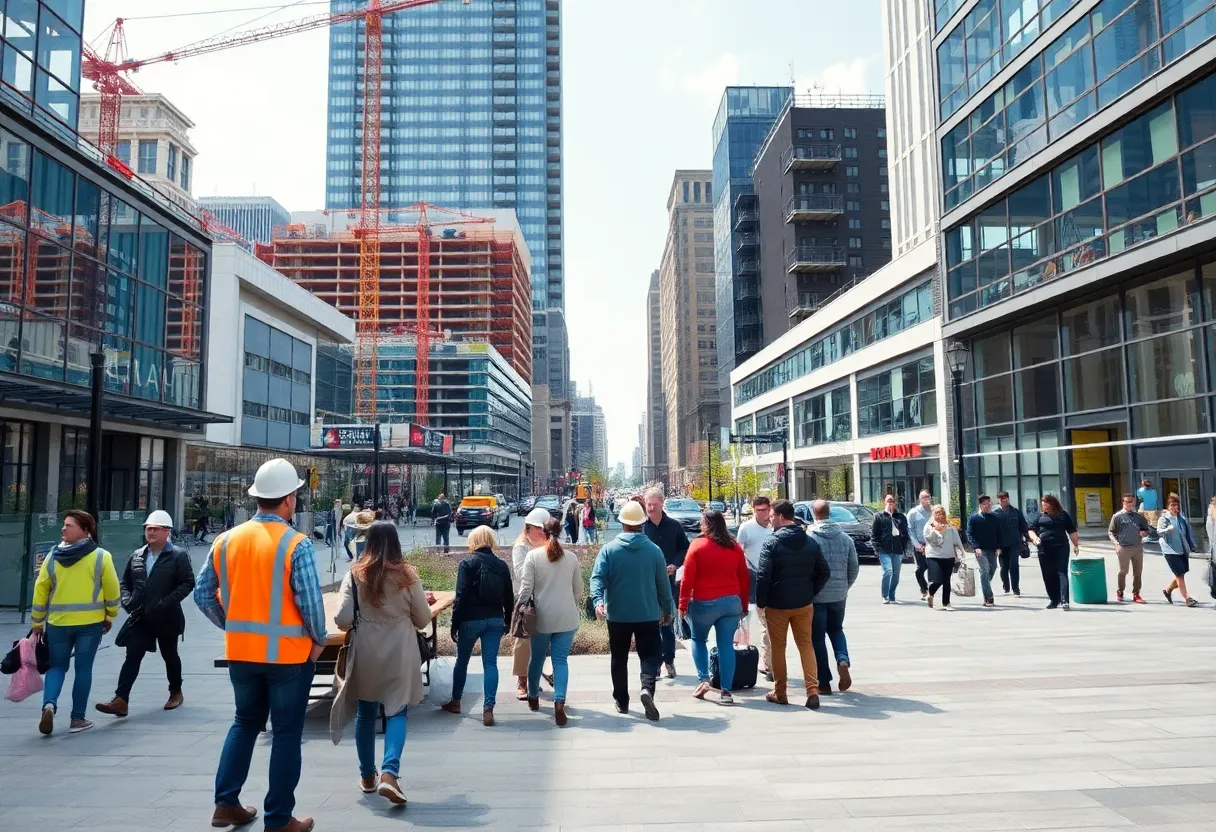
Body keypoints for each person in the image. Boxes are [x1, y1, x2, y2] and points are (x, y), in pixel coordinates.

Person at [194, 458, 328, 832]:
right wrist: (318, 642)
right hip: (288, 659)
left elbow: (202, 594)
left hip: (241, 655)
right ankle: (279, 819)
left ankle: (225, 804)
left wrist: (232, 624)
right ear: (289, 499)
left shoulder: (226, 541)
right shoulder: (294, 544)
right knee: (286, 734)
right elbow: (311, 604)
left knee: (244, 723)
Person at [329, 521, 431, 808]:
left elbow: (342, 619)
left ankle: (367, 777)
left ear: (368, 542)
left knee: (365, 712)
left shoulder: (355, 574)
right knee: (397, 711)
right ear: (396, 542)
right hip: (400, 650)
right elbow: (423, 619)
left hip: (366, 651)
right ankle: (390, 772)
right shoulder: (407, 575)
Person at [96, 510, 195, 719]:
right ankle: (121, 700)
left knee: (170, 655)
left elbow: (187, 583)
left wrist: (166, 602)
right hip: (141, 617)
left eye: (155, 529)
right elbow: (125, 583)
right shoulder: (137, 554)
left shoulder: (178, 555)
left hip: (167, 617)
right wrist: (128, 602)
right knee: (132, 655)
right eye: (148, 528)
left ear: (166, 531)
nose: (150, 532)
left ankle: (175, 692)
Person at [30, 510, 121, 736]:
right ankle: (77, 718)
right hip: (90, 624)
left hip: (58, 624)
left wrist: (37, 623)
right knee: (83, 670)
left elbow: (41, 590)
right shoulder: (101, 556)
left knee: (57, 666)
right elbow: (112, 589)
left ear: (85, 530)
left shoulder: (52, 556)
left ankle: (49, 705)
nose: (63, 528)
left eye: (69, 525)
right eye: (64, 525)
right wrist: (110, 616)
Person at [590, 500, 673, 720]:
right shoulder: (654, 551)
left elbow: (597, 577)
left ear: (623, 524)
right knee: (651, 653)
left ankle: (622, 700)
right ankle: (647, 688)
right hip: (647, 612)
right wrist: (668, 609)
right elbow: (663, 585)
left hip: (617, 614)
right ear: (642, 523)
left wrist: (598, 600)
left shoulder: (609, 550)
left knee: (619, 657)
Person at [756, 499, 830, 710]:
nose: (770, 521)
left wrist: (761, 602)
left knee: (778, 648)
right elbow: (824, 572)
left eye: (771, 517)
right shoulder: (810, 541)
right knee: (806, 645)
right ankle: (812, 690)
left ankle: (780, 692)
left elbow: (763, 576)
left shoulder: (771, 542)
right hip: (804, 603)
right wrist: (811, 591)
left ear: (780, 517)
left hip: (777, 604)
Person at [443, 526, 514, 725]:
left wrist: (455, 624)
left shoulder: (467, 563)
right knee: (490, 664)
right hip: (494, 619)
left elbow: (461, 596)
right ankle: (488, 708)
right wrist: (507, 621)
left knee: (462, 661)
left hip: (470, 620)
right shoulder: (501, 565)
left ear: (472, 541)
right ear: (491, 541)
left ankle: (456, 702)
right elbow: (509, 597)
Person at [678, 511, 749, 705]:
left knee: (698, 639)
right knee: (726, 644)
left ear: (707, 525)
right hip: (731, 603)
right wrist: (743, 604)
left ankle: (704, 680)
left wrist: (683, 604)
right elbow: (744, 577)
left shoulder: (697, 546)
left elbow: (687, 579)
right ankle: (726, 691)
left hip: (704, 603)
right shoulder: (734, 547)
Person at [518, 517, 583, 726]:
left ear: (543, 533)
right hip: (566, 617)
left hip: (541, 618)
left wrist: (519, 607)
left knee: (536, 659)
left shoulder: (533, 556)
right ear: (561, 533)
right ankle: (559, 701)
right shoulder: (571, 558)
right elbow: (579, 590)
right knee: (560, 660)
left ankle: (534, 697)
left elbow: (526, 588)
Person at [642, 487, 688, 678]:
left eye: (654, 504)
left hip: (667, 583)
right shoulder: (642, 527)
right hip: (646, 584)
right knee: (650, 626)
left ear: (662, 503)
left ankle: (669, 660)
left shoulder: (674, 526)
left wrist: (675, 564)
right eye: (648, 505)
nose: (650, 508)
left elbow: (685, 548)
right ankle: (656, 664)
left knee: (667, 625)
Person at [510, 509, 555, 699]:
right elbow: (521, 574)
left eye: (544, 529)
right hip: (527, 600)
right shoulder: (521, 547)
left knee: (541, 642)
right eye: (539, 528)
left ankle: (534, 678)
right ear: (529, 528)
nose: (542, 532)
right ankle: (522, 682)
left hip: (544, 597)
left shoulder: (546, 544)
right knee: (523, 641)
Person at [736, 495, 774, 679]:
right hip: (753, 577)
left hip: (773, 579)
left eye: (765, 510)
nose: (763, 514)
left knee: (768, 622)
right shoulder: (746, 528)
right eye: (759, 510)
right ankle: (757, 660)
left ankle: (768, 663)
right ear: (753, 510)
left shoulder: (775, 526)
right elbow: (738, 551)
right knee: (754, 618)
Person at [1028, 495, 1079, 610]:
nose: (1043, 505)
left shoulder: (1063, 515)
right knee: (1048, 575)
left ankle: (1064, 600)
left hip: (1061, 548)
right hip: (1044, 550)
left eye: (1045, 503)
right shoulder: (1040, 516)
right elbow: (1031, 529)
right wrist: (1035, 538)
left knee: (1062, 573)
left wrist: (1076, 545)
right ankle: (1053, 600)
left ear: (1052, 504)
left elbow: (1071, 530)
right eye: (1042, 503)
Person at [1158, 494, 1199, 607]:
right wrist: (1168, 529)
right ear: (1168, 506)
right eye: (1172, 505)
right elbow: (1159, 531)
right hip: (1170, 550)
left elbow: (1187, 533)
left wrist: (1192, 544)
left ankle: (1167, 590)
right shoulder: (1164, 518)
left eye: (1176, 505)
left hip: (1182, 549)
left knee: (1181, 573)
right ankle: (1187, 599)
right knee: (1179, 575)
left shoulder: (1182, 518)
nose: (1174, 507)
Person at [1108, 492, 1150, 603]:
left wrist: (1144, 533)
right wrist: (1116, 544)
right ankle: (1120, 590)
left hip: (1137, 547)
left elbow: (1146, 530)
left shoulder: (1139, 517)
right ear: (1123, 502)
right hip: (1123, 548)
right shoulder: (1117, 517)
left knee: (1138, 572)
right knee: (1123, 571)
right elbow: (1111, 532)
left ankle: (1136, 594)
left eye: (1131, 502)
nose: (1129, 504)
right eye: (1127, 502)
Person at [924, 504, 966, 610]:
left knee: (946, 580)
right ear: (933, 515)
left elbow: (957, 541)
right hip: (934, 555)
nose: (940, 516)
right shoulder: (929, 526)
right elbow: (929, 539)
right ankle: (930, 593)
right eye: (937, 514)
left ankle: (946, 603)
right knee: (938, 580)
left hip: (949, 555)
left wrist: (961, 552)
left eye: (942, 514)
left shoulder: (950, 527)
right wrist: (937, 531)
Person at [870, 494, 910, 604]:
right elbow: (874, 534)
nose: (890, 503)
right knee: (888, 570)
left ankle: (892, 594)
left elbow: (905, 533)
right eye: (888, 501)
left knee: (896, 575)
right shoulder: (879, 516)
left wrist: (904, 548)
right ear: (884, 502)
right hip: (884, 549)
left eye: (892, 501)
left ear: (895, 503)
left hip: (897, 548)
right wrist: (876, 549)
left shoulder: (900, 516)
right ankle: (885, 595)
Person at [965, 495, 1002, 607]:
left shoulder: (995, 517)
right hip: (980, 549)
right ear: (981, 505)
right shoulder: (973, 518)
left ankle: (984, 583)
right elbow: (969, 534)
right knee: (985, 568)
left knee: (993, 567)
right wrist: (976, 547)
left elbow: (999, 533)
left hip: (992, 548)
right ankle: (989, 597)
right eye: (987, 503)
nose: (990, 505)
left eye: (990, 503)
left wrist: (998, 547)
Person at [993, 491, 1030, 596]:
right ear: (998, 500)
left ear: (1008, 499)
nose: (1003, 499)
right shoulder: (995, 514)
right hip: (1001, 545)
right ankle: (1006, 585)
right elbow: (993, 531)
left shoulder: (1015, 512)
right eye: (1000, 498)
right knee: (1004, 568)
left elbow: (1024, 526)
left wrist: (1028, 539)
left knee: (1014, 565)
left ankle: (1016, 588)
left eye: (1004, 497)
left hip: (1015, 543)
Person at [906, 491, 933, 602]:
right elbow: (910, 530)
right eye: (923, 497)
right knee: (921, 568)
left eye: (927, 497)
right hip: (920, 545)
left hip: (932, 544)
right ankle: (923, 588)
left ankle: (931, 591)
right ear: (919, 499)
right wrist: (917, 545)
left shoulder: (934, 511)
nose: (926, 499)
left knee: (932, 568)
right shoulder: (914, 512)